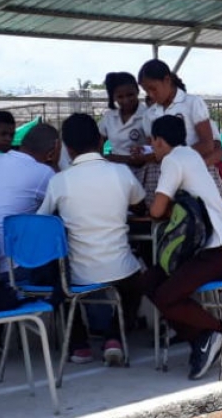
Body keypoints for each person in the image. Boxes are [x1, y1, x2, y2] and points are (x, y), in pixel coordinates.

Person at [38, 113, 146, 367]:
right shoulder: (121, 172)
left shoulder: (59, 181)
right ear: (100, 140)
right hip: (120, 269)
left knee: (59, 283)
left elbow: (41, 222)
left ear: (66, 147)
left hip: (78, 274)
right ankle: (114, 337)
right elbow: (141, 207)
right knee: (137, 283)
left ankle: (79, 346)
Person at [142, 115, 222, 381]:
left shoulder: (172, 160)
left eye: (153, 142)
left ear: (159, 141)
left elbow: (156, 209)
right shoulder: (191, 156)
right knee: (151, 280)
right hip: (214, 249)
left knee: (164, 295)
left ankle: (219, 329)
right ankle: (202, 338)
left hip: (219, 250)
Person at [137, 59, 222, 204]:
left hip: (196, 172)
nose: (150, 94)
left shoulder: (193, 103)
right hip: (164, 176)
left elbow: (208, 145)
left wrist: (176, 159)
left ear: (167, 80)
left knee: (200, 216)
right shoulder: (149, 115)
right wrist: (143, 153)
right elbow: (154, 151)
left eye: (153, 88)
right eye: (146, 91)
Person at [0, 122, 59, 259]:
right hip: (12, 263)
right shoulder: (43, 173)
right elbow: (65, 203)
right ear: (52, 152)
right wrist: (55, 164)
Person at [98, 72, 150, 180]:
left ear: (137, 90)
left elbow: (153, 149)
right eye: (120, 97)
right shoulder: (109, 117)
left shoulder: (148, 115)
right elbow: (103, 141)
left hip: (141, 173)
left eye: (130, 95)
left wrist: (115, 158)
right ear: (114, 97)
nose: (126, 100)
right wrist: (107, 153)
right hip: (113, 173)